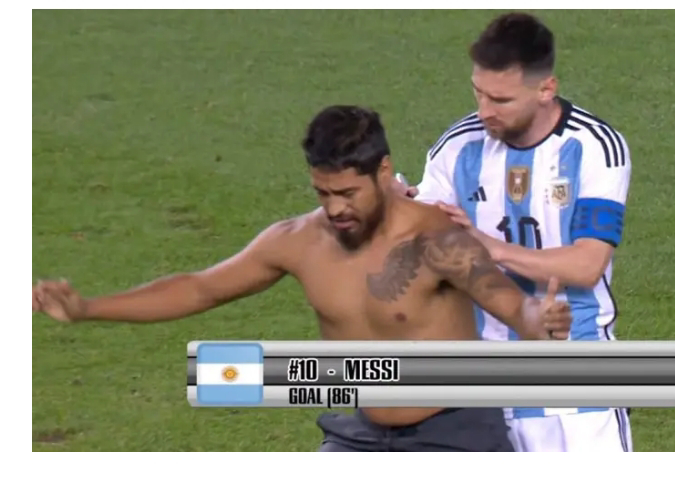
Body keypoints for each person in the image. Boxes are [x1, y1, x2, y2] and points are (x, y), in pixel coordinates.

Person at [33, 105, 573, 452]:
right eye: (323, 193)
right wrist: (89, 308)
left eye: (348, 193)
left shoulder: (436, 241)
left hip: (452, 437)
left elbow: (511, 307)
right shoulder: (297, 241)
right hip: (359, 434)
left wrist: (541, 319)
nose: (335, 208)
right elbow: (200, 287)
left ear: (384, 172)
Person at [397, 13, 634, 452]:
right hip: (486, 386)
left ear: (546, 89)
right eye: (478, 93)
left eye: (501, 100)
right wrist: (396, 208)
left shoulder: (593, 147)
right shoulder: (458, 146)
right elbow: (421, 235)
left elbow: (587, 264)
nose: (484, 110)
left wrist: (489, 248)